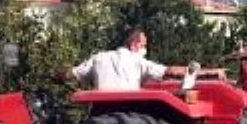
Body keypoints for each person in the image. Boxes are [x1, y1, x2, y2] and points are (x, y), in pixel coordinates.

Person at [69, 29, 198, 91]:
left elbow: (72, 74)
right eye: (143, 46)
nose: (145, 49)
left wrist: (55, 74)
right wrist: (194, 71)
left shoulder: (99, 58)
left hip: (102, 114)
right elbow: (170, 71)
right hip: (130, 112)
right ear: (133, 45)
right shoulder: (138, 61)